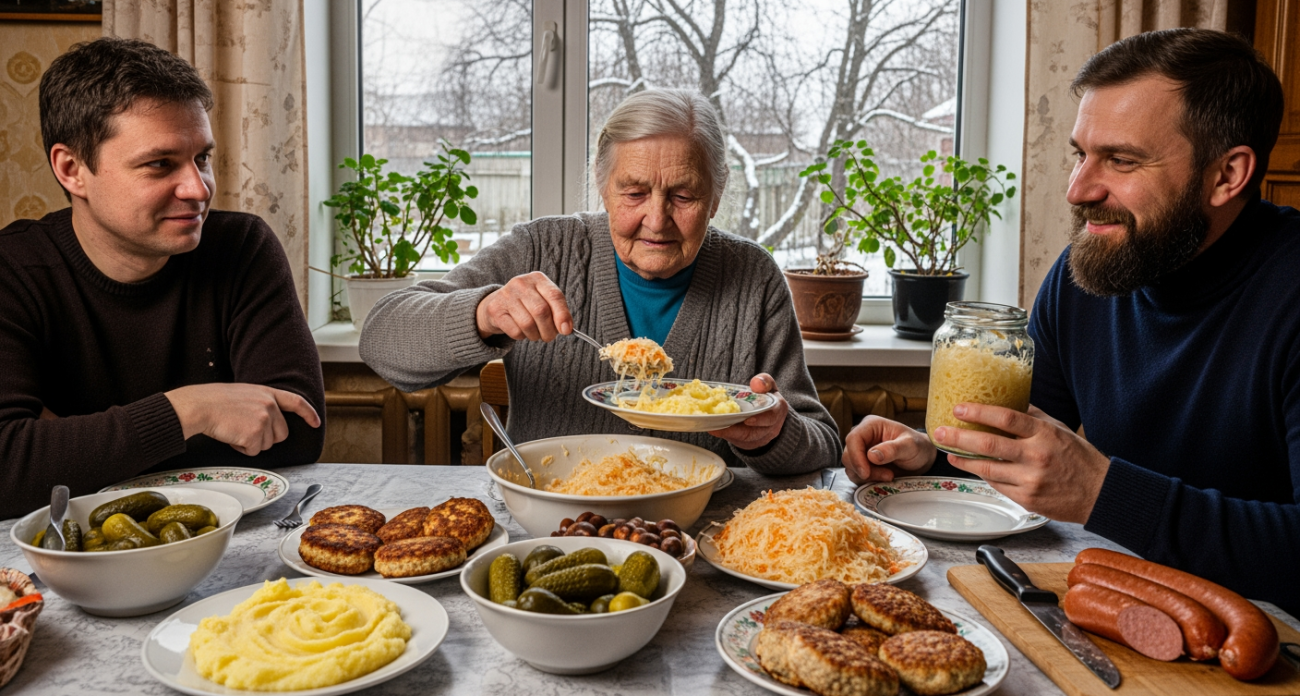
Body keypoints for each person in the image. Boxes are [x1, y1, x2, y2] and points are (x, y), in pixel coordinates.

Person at [843, 28, 1299, 613]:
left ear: (1226, 175)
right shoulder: (1088, 273)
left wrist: (1103, 493)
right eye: (1080, 153)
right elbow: (1031, 454)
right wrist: (930, 455)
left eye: (1122, 160)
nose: (1077, 189)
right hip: (1118, 603)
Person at [361, 89, 840, 473]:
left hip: (699, 529)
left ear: (715, 197)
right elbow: (381, 339)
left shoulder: (753, 276)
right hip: (553, 523)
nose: (657, 219)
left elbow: (821, 442)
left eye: (683, 195)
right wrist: (484, 314)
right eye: (633, 192)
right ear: (602, 184)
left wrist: (775, 434)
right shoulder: (543, 249)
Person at [0, 38, 325, 520]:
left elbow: (296, 433)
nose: (198, 188)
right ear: (72, 170)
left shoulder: (242, 248)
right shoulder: (13, 269)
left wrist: (66, 443)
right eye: (160, 164)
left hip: (230, 540)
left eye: (202, 158)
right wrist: (193, 410)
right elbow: (8, 470)